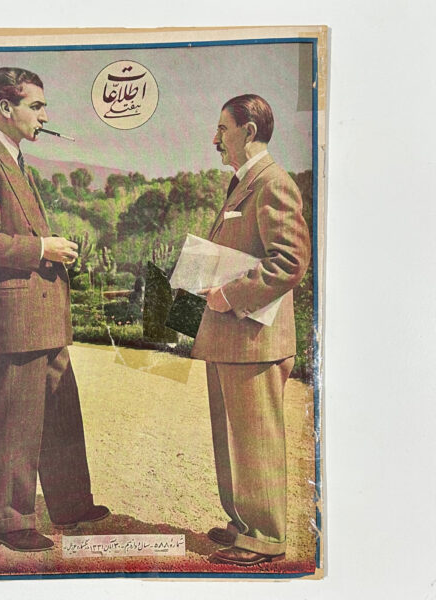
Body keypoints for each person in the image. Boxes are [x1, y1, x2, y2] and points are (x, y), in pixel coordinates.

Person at [0, 67, 108, 552]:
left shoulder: (13, 160)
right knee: (14, 422)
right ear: (5, 107)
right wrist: (42, 248)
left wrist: (49, 249)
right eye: (36, 106)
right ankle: (11, 521)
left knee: (60, 410)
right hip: (13, 319)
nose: (45, 116)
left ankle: (71, 504)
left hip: (38, 314)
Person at [191, 94, 311, 566]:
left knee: (256, 441)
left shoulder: (273, 183)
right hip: (234, 339)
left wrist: (231, 294)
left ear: (250, 131)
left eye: (223, 129)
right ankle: (244, 524)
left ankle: (265, 538)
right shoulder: (245, 182)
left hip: (255, 340)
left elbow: (290, 261)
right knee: (234, 440)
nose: (215, 138)